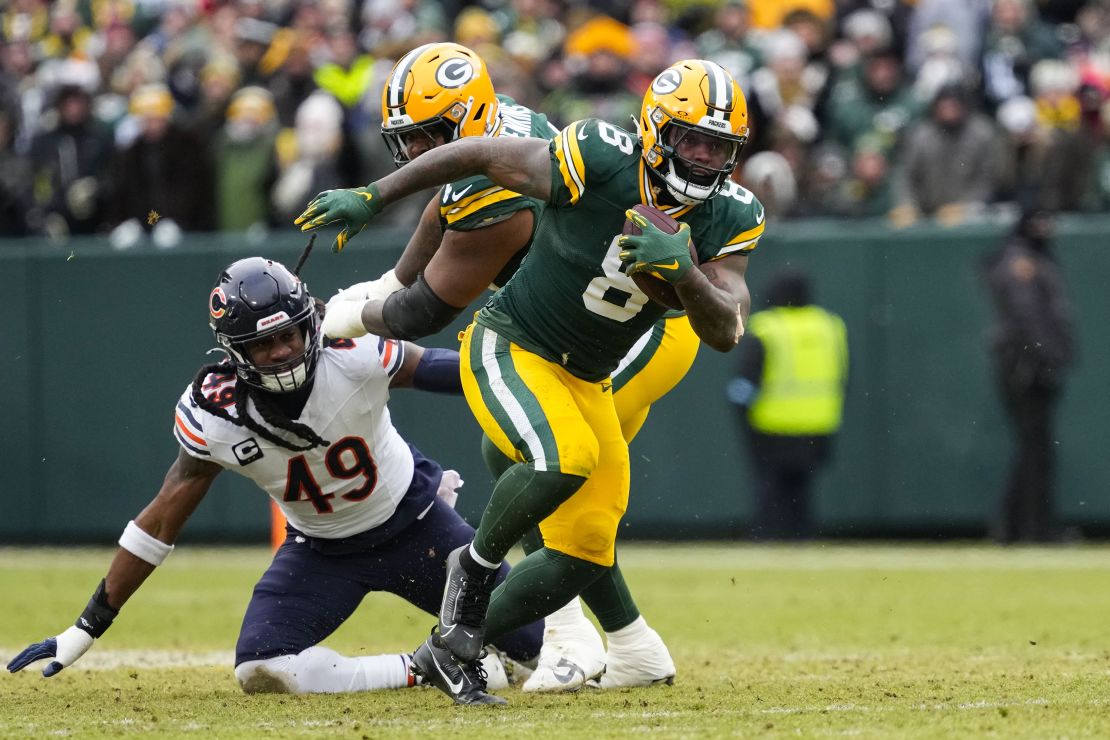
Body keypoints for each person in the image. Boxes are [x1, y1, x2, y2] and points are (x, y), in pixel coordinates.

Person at [297, 58, 764, 705]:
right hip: (521, 341)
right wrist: (375, 198)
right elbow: (468, 167)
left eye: (719, 147)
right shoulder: (596, 154)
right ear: (656, 131)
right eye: (691, 140)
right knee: (555, 459)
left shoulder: (732, 214)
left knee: (584, 539)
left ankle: (473, 641)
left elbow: (726, 327)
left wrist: (685, 272)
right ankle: (507, 590)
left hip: (611, 357)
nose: (705, 158)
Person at [5, 257, 541, 696]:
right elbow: (161, 518)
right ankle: (423, 666)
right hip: (321, 551)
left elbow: (451, 370)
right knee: (262, 668)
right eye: (262, 345)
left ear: (309, 321)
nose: (281, 352)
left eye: (287, 336)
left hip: (419, 526)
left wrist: (534, 370)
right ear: (234, 352)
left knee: (535, 649)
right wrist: (87, 625)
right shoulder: (216, 413)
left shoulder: (351, 353)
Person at [725, 270, 848, 540]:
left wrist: (739, 408)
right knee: (802, 488)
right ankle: (802, 538)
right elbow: (842, 376)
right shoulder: (830, 325)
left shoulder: (768, 327)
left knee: (769, 488)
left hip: (771, 423)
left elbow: (746, 382)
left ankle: (767, 538)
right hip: (818, 422)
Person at [982, 208, 1076, 543]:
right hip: (1025, 367)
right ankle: (1031, 528)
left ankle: (1017, 527)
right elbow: (1028, 316)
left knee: (1034, 450)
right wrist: (1049, 355)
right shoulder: (1020, 263)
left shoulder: (1031, 260)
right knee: (1035, 450)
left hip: (1031, 365)